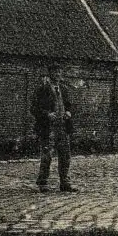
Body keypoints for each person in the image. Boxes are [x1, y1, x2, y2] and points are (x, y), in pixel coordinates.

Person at [30, 63, 78, 193]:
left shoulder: (64, 89)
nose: (57, 74)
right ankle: (43, 182)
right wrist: (47, 114)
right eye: (55, 72)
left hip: (63, 127)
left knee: (65, 155)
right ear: (50, 73)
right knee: (47, 155)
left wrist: (69, 112)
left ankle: (65, 183)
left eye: (59, 72)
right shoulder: (42, 89)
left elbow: (70, 105)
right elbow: (34, 108)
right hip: (49, 127)